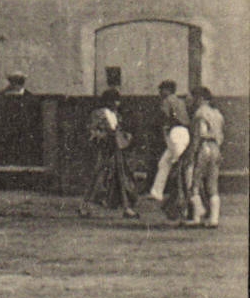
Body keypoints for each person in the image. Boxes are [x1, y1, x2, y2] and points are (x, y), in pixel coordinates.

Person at [83, 88, 139, 219]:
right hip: (104, 149)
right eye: (115, 100)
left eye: (117, 100)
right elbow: (92, 131)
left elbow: (119, 131)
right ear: (108, 101)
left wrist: (125, 135)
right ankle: (84, 206)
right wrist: (102, 136)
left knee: (121, 177)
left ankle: (126, 207)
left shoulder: (116, 115)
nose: (117, 103)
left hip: (116, 149)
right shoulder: (98, 114)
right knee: (98, 176)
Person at [146, 79, 190, 216]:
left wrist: (165, 135)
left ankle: (188, 194)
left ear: (168, 90)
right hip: (184, 133)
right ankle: (157, 192)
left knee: (178, 166)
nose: (160, 92)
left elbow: (164, 118)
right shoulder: (180, 101)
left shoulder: (167, 101)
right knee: (165, 163)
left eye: (162, 89)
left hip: (175, 132)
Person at [183, 86, 222, 228]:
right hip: (216, 148)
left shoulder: (200, 113)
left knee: (194, 182)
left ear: (199, 98)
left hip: (203, 148)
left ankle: (197, 216)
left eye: (193, 97)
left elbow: (200, 134)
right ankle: (214, 219)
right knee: (213, 185)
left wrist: (191, 154)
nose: (191, 100)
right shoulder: (217, 113)